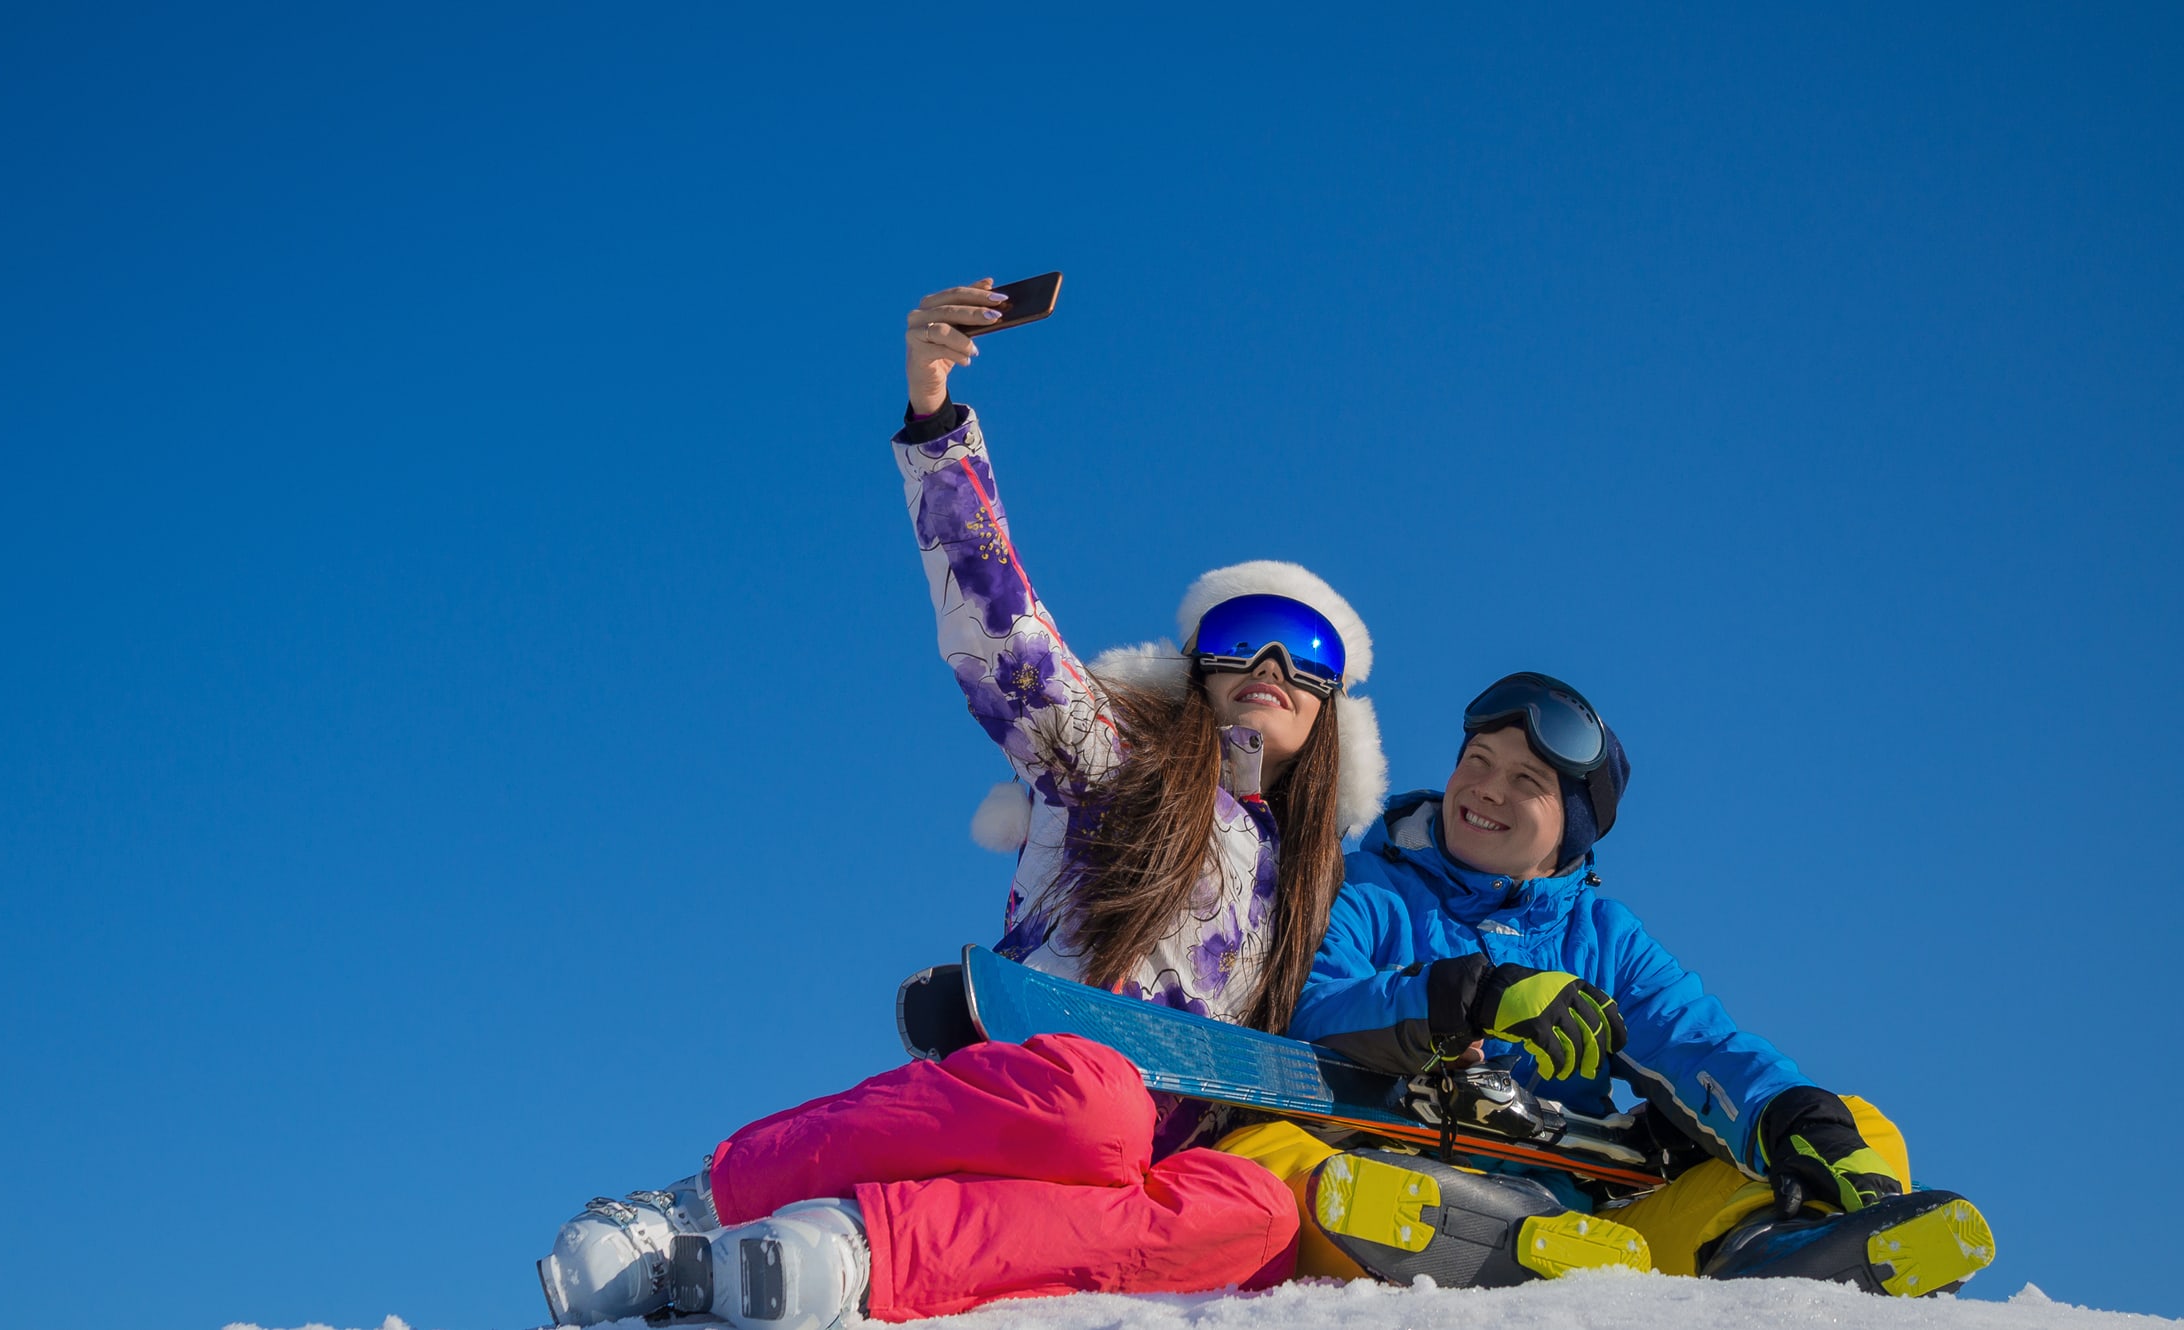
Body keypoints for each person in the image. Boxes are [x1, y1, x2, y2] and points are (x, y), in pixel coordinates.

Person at [533, 279, 1391, 1329]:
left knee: (1258, 1209)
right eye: (1244, 632)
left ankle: (853, 1252)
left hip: (1136, 1168)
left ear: (1332, 706)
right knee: (1099, 1105)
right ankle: (697, 1204)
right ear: (1198, 664)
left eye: (1305, 654)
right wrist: (937, 423)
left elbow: (1366, 1000)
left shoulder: (1315, 890)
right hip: (1052, 1100)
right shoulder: (1116, 764)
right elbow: (1002, 636)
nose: (1268, 661)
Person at [1224, 671, 1995, 1297]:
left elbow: (1698, 1042)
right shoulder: (1365, 888)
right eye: (1477, 761)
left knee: (1853, 1126)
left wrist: (1801, 1123)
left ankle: (1784, 1250)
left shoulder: (1603, 938)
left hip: (1582, 1219)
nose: (1486, 788)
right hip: (1388, 1164)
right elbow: (1313, 1010)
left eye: (1526, 780)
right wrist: (1471, 998)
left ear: (1572, 832)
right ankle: (1473, 1237)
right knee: (1264, 1157)